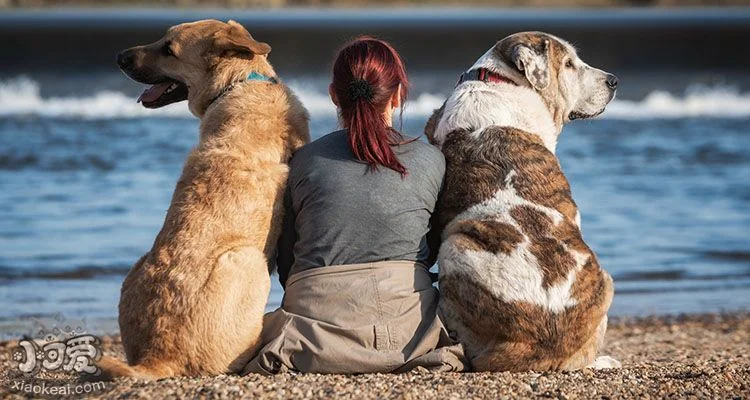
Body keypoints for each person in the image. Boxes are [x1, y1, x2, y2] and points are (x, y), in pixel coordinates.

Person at [243, 36, 465, 375]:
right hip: (409, 335)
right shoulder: (431, 159)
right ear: (399, 94)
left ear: (334, 95)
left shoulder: (303, 161)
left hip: (311, 335)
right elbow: (433, 251)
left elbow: (288, 266)